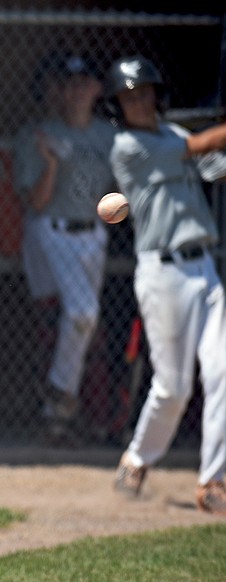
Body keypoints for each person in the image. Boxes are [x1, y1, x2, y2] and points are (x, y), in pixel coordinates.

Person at [107, 56, 226, 514]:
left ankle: (212, 481)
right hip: (163, 273)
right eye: (128, 96)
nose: (137, 102)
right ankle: (137, 459)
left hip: (206, 268)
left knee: (220, 372)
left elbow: (210, 162)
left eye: (143, 92)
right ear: (118, 105)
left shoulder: (173, 137)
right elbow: (200, 145)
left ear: (157, 94)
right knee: (174, 387)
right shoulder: (127, 147)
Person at [14, 53, 116, 445]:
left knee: (83, 324)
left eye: (84, 85)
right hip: (51, 231)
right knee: (82, 313)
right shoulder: (38, 135)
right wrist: (52, 166)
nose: (76, 93)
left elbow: (123, 192)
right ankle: (61, 394)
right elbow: (34, 204)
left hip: (93, 234)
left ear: (96, 90)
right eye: (69, 85)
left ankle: (59, 412)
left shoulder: (107, 137)